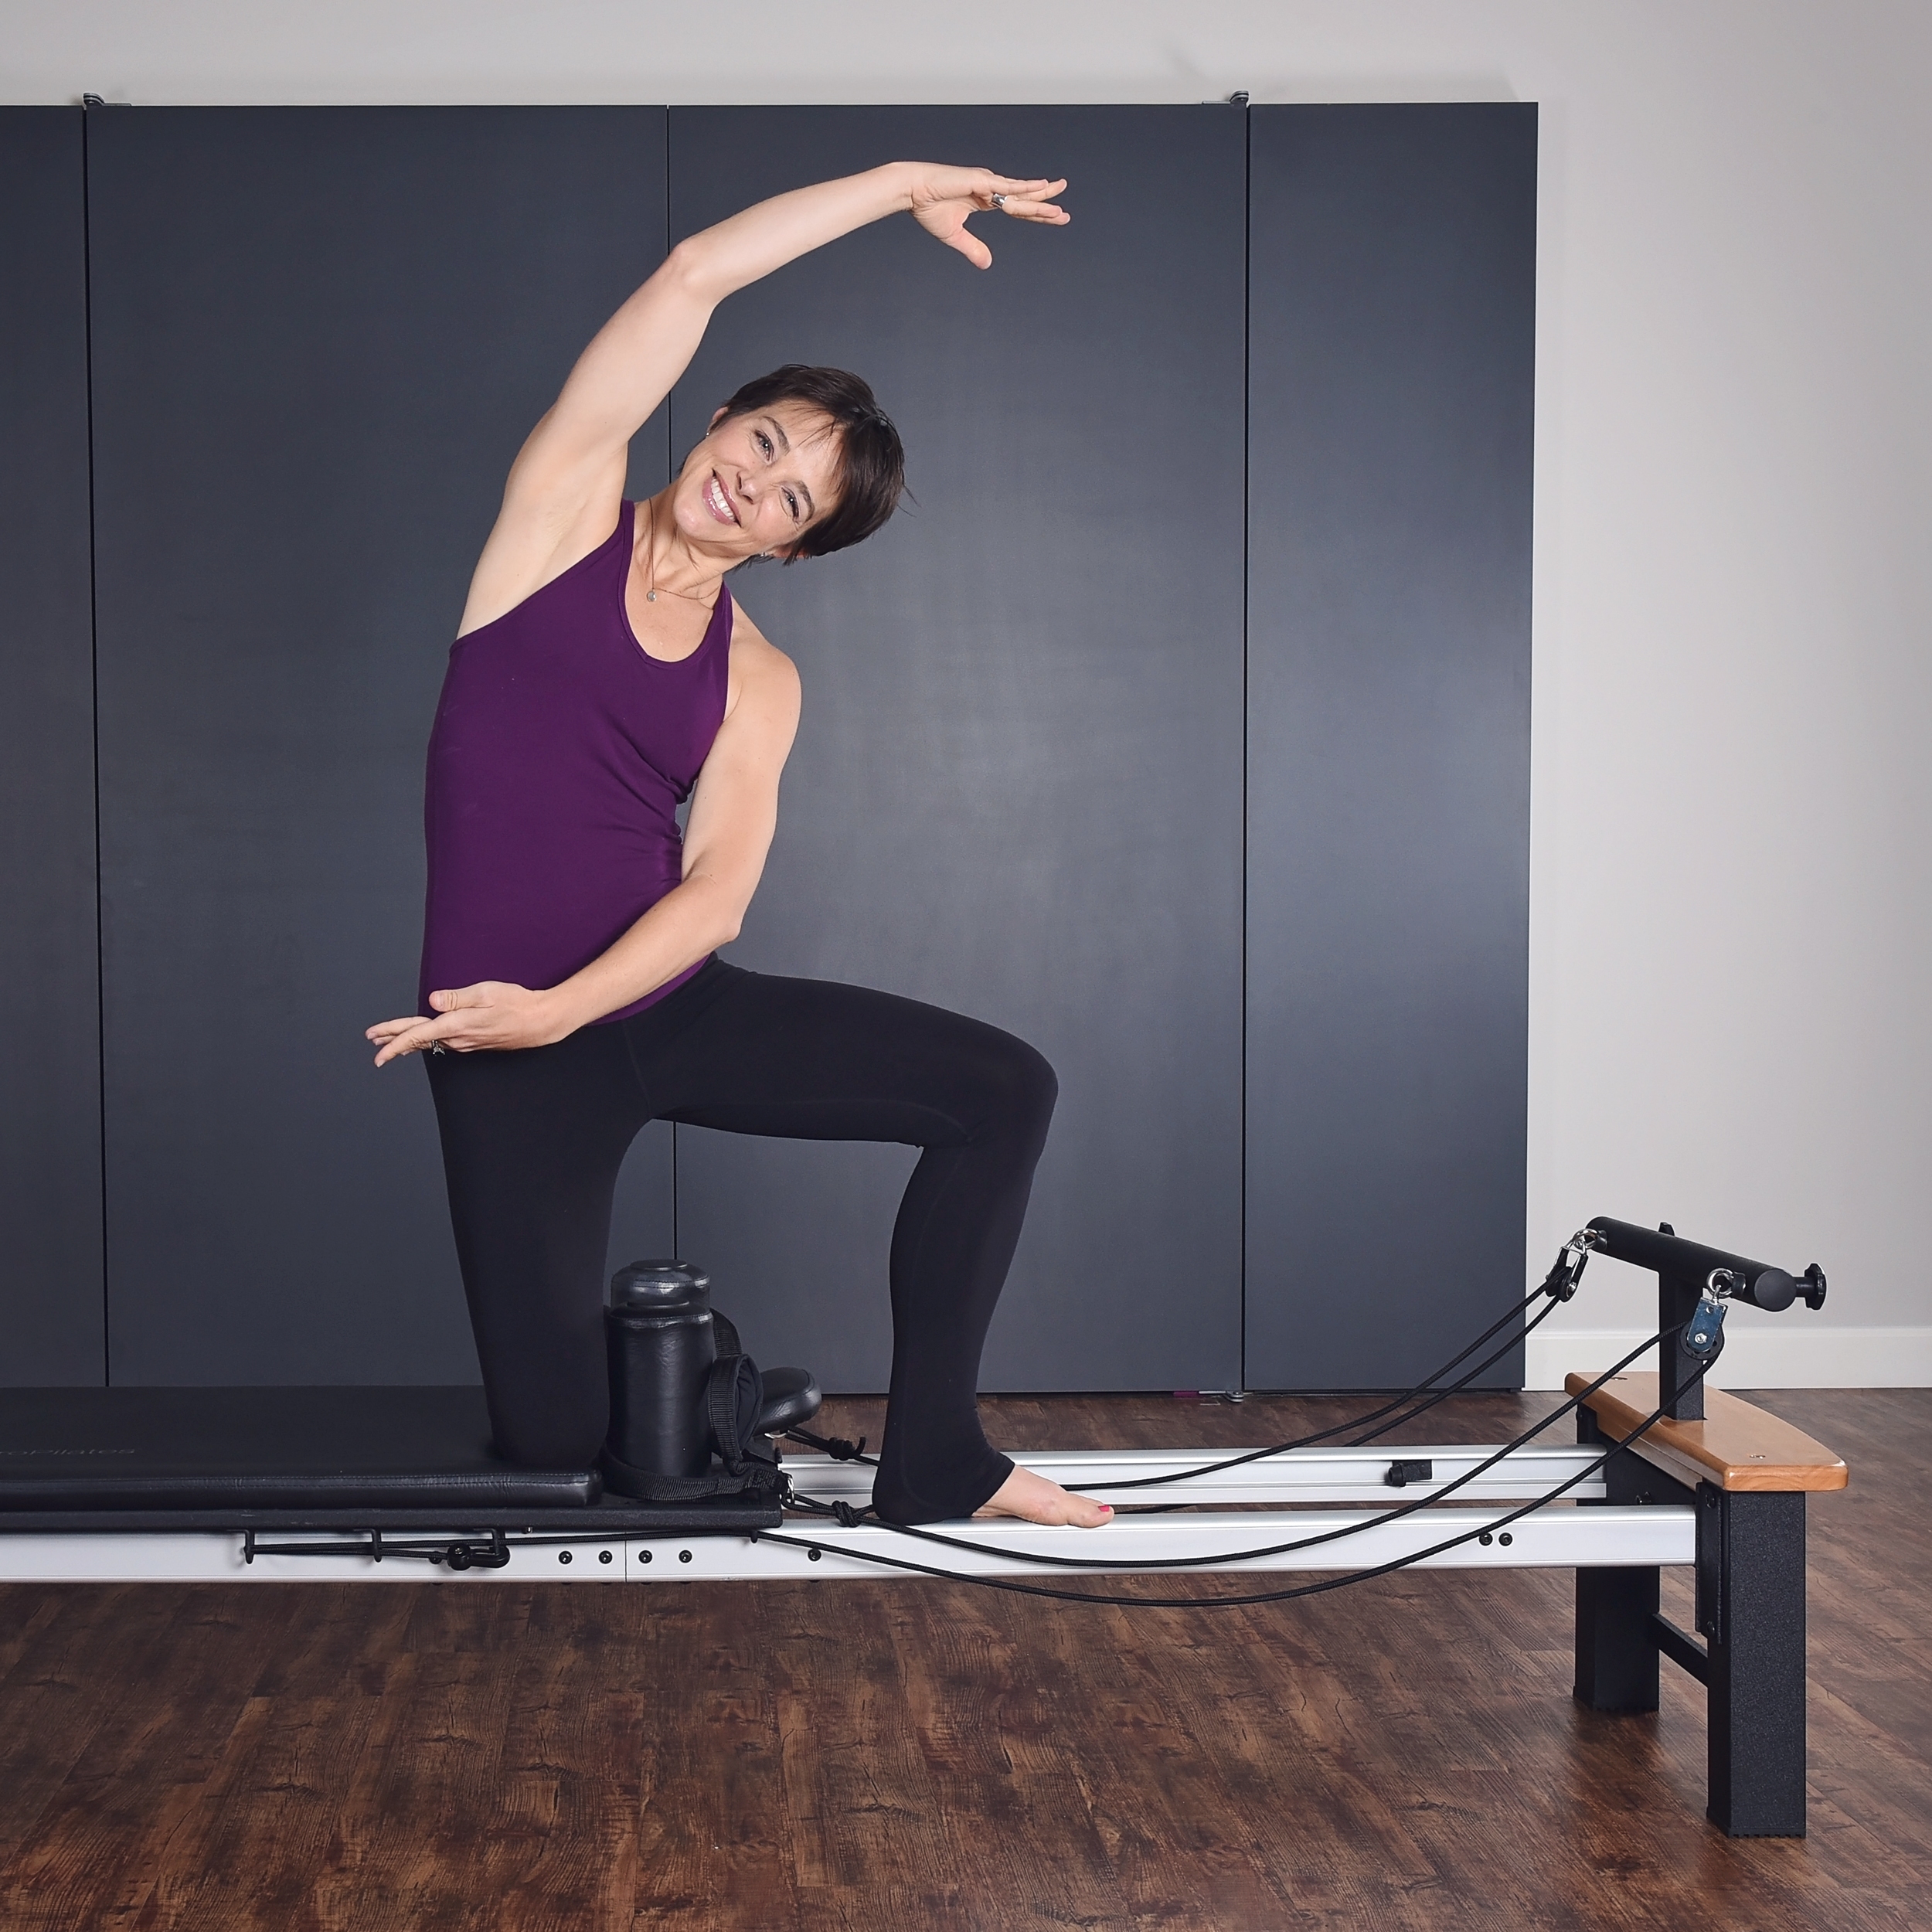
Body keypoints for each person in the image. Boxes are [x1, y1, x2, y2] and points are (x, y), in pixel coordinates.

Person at [366, 162, 1111, 1529]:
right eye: (763, 442)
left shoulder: (756, 677)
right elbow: (696, 272)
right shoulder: (555, 524)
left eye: (790, 499)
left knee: (1005, 1090)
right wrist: (896, 187)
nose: (753, 484)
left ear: (795, 550)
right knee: (558, 1438)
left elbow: (715, 895)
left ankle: (941, 1456)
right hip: (503, 1045)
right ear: (716, 417)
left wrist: (567, 1010)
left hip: (648, 1006)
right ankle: (708, 1379)